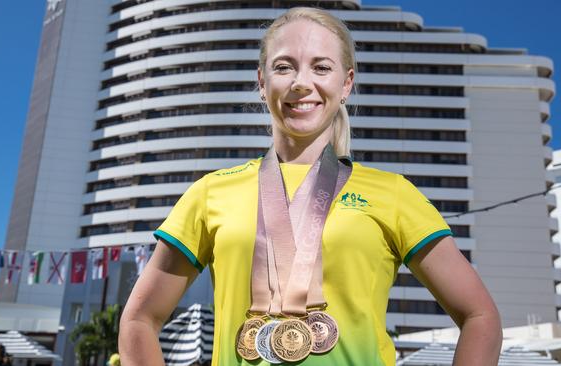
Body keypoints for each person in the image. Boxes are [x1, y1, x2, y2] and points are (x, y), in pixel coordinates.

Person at [119, 7, 502, 366]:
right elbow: (139, 319)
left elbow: (480, 316)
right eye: (284, 67)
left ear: (346, 82)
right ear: (261, 81)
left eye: (321, 67)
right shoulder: (209, 193)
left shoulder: (395, 194)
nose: (303, 83)